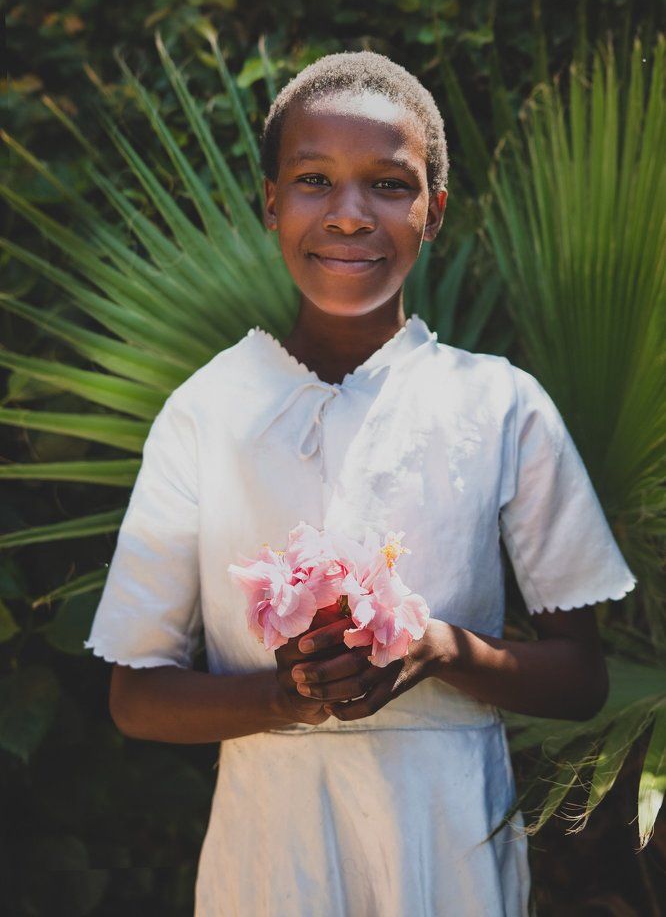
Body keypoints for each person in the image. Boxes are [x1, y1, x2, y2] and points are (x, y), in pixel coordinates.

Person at [84, 51, 636, 916]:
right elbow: (137, 697)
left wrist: (438, 648)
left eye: (388, 184)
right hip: (272, 850)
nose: (349, 214)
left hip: (447, 835)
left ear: (433, 210)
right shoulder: (205, 412)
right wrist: (286, 695)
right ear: (271, 203)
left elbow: (581, 680)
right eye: (313, 180)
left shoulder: (500, 405)